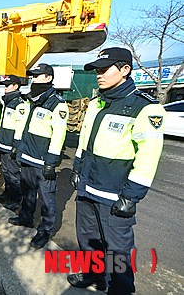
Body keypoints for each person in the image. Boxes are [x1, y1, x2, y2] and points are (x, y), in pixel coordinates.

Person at [67, 48, 165, 293]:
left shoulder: (143, 108)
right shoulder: (96, 103)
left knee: (117, 250)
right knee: (88, 240)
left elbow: (148, 156)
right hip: (87, 187)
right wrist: (77, 167)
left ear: (125, 70)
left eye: (104, 69)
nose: (99, 75)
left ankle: (120, 289)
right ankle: (94, 276)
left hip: (115, 195)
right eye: (97, 70)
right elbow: (84, 141)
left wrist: (132, 196)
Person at [8, 63, 69, 250]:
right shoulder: (28, 100)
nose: (33, 79)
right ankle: (26, 217)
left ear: (49, 78)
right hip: (26, 155)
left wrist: (51, 161)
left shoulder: (57, 103)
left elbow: (59, 134)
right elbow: (21, 124)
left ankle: (45, 231)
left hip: (42, 160)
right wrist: (17, 146)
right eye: (32, 76)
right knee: (27, 189)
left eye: (37, 75)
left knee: (47, 196)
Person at [0, 75, 28, 210]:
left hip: (11, 145)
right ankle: (8, 194)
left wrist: (16, 145)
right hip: (4, 143)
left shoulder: (19, 103)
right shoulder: (8, 101)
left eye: (7, 85)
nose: (5, 88)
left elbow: (20, 126)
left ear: (15, 86)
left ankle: (15, 199)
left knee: (13, 173)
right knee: (6, 171)